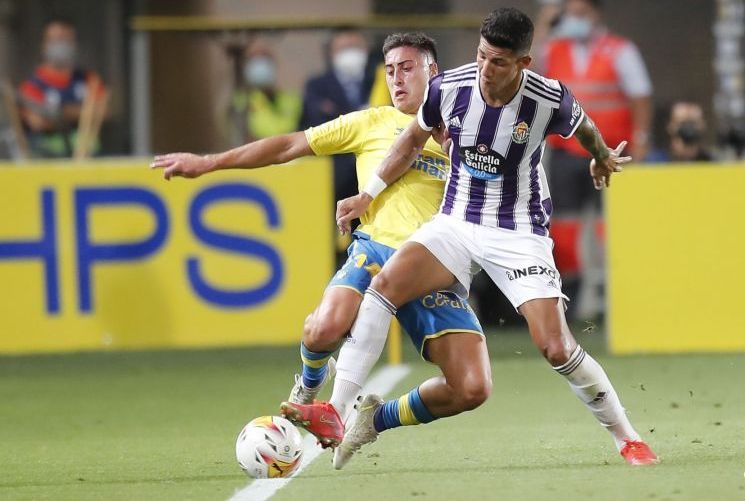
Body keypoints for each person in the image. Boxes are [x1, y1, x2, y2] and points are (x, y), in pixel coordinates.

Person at [334, 7, 658, 469]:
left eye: (499, 62)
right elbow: (408, 142)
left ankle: (627, 437)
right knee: (385, 285)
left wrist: (601, 155)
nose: (486, 70)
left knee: (555, 346)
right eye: (482, 56)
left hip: (519, 231)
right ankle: (335, 410)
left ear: (523, 63)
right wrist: (367, 194)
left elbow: (583, 127)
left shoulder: (550, 99)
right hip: (457, 222)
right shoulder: (450, 87)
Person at [151, 32, 491, 450]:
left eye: (407, 68)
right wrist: (209, 162)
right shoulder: (371, 122)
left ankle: (375, 417)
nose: (396, 79)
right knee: (323, 328)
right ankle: (308, 390)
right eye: (389, 70)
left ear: (433, 72)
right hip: (376, 251)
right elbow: (289, 145)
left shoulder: (469, 133)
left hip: (433, 268)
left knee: (472, 388)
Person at [537, 0, 653, 319]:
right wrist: (545, 26)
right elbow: (526, 69)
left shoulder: (619, 50)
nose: (575, 19)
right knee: (563, 227)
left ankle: (612, 299)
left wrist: (640, 142)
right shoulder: (554, 48)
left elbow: (640, 95)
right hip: (564, 152)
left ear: (595, 13)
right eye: (570, 13)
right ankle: (569, 297)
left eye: (581, 12)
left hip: (611, 152)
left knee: (611, 226)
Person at [18, 18, 106, 158]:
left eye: (66, 39)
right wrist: (79, 112)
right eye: (56, 39)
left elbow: (101, 112)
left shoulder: (89, 79)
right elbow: (38, 122)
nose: (61, 45)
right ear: (45, 44)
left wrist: (57, 113)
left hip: (89, 159)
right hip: (48, 160)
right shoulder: (32, 85)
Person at [227, 41, 301, 146]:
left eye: (264, 61)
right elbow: (236, 135)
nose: (261, 67)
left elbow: (286, 130)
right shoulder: (241, 100)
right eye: (255, 61)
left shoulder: (291, 99)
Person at [647, 101, 713, 162]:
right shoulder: (654, 163)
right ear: (670, 126)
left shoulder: (714, 163)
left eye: (693, 122)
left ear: (703, 125)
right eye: (683, 122)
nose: (688, 127)